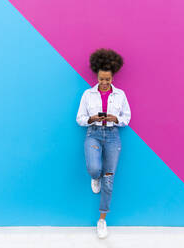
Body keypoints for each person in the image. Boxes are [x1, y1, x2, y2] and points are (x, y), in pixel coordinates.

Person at [76, 48, 131, 238]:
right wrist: (91, 119)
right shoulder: (87, 94)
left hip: (113, 136)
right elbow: (79, 119)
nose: (105, 83)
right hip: (93, 134)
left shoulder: (121, 95)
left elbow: (127, 119)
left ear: (112, 78)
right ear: (97, 77)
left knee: (109, 180)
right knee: (94, 169)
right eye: (101, 79)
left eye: (108, 79)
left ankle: (102, 220)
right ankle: (95, 176)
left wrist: (116, 118)